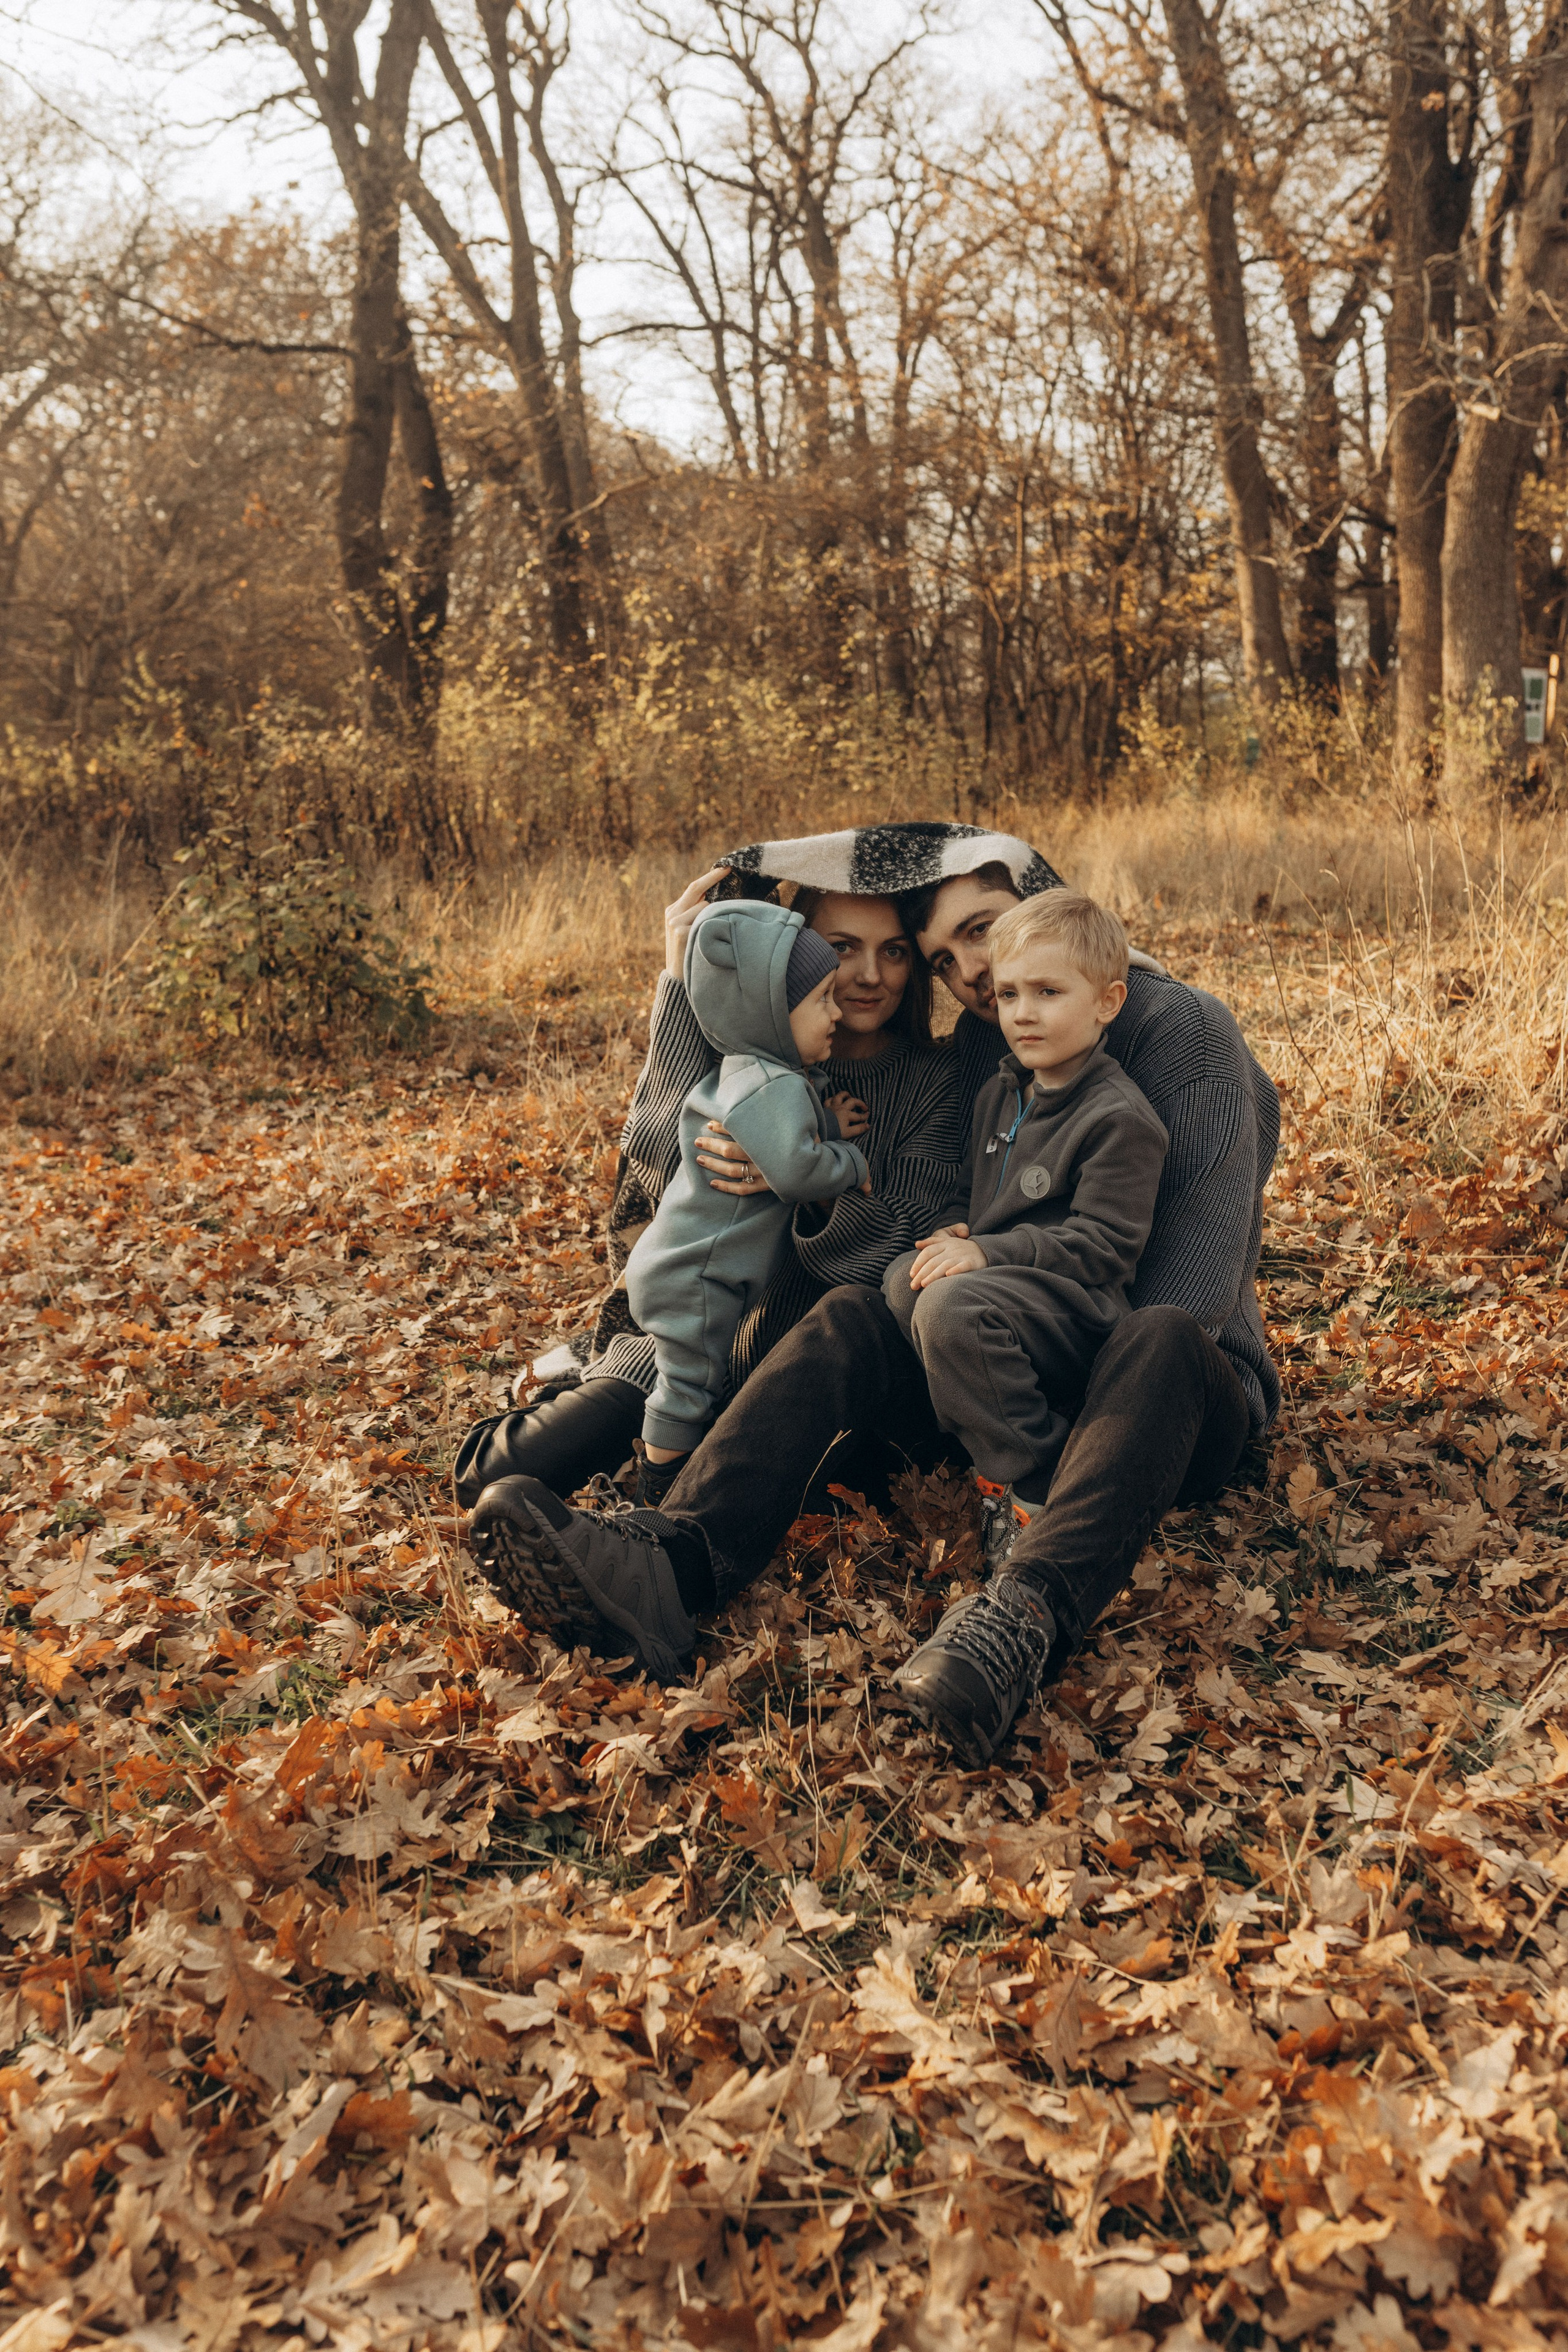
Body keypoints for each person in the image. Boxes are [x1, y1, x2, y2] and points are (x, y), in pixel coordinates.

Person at [466, 822, 1280, 1763]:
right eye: (946, 959)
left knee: (1163, 1336)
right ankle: (673, 1561)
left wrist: (997, 1313)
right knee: (858, 1314)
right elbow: (757, 1073)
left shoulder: (1184, 1033)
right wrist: (690, 993)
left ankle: (1023, 1615)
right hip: (1007, 1347)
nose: (974, 973)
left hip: (1170, 1393)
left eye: (985, 928)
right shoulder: (994, 1047)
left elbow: (1199, 1283)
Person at [453, 850, 967, 1518]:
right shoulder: (751, 1056)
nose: (868, 975)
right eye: (841, 948)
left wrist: (802, 1180)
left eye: (894, 951)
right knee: (495, 1475)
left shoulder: (934, 1081)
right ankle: (582, 1398)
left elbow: (905, 1240)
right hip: (683, 1346)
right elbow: (653, 1174)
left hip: (798, 1377)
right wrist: (679, 977)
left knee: (741, 1501)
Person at [883, 889, 1167, 1599]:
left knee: (948, 1311)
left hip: (1076, 1314)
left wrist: (987, 1253)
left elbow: (1105, 1248)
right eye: (1008, 994)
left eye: (1047, 991)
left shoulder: (1118, 1117)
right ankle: (992, 1440)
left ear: (1106, 1002)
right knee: (900, 1281)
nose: (1022, 1012)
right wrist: (956, 1229)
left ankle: (1033, 1479)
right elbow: (976, 1197)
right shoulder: (1000, 1092)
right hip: (1003, 1292)